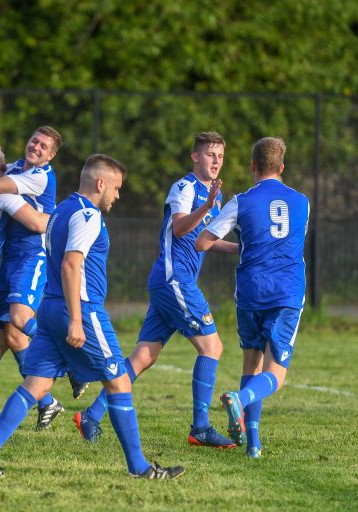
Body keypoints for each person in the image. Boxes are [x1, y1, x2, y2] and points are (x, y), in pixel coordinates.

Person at [0, 154, 186, 479]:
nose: (117, 195)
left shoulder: (59, 212)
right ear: (100, 183)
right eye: (116, 188)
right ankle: (140, 469)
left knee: (37, 383)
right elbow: (72, 264)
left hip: (51, 307)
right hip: (81, 310)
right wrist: (75, 319)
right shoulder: (88, 215)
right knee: (120, 381)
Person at [73, 131, 238, 449]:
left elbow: (204, 239)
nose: (216, 160)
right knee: (212, 348)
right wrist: (206, 206)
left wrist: (239, 248)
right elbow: (179, 228)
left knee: (144, 356)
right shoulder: (185, 187)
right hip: (174, 279)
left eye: (220, 155)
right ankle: (200, 428)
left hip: (170, 282)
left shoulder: (211, 194)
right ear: (195, 157)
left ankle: (91, 415)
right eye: (210, 154)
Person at [0, 126, 85, 432]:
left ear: (51, 155)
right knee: (7, 337)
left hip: (31, 257)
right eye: (34, 141)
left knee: (17, 317)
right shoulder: (11, 168)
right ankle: (44, 401)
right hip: (7, 262)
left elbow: (30, 217)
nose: (36, 147)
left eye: (44, 146)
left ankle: (70, 360)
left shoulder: (38, 177)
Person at [196, 137, 309, 458]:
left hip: (251, 291)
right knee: (276, 374)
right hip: (286, 291)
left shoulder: (240, 201)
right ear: (282, 168)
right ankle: (240, 399)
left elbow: (202, 243)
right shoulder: (302, 201)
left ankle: (254, 444)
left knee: (252, 362)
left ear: (252, 166)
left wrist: (241, 245)